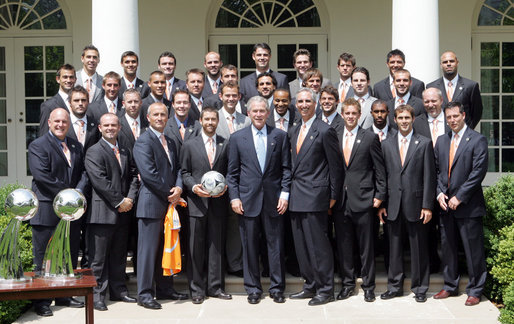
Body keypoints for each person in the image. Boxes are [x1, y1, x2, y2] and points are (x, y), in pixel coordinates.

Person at [227, 96, 291, 304]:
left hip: (274, 201)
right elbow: (232, 173)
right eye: (254, 111)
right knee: (250, 247)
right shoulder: (237, 138)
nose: (258, 114)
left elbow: (286, 169)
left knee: (276, 246)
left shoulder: (280, 136)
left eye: (262, 111)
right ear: (248, 113)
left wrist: (284, 193)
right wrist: (234, 197)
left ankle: (276, 287)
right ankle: (253, 289)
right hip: (247, 201)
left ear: (268, 112)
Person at [28, 108, 88, 317]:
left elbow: (83, 172)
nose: (61, 124)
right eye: (57, 121)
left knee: (68, 255)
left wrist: (78, 191)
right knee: (44, 258)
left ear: (69, 123)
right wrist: (68, 193)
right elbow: (42, 176)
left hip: (70, 211)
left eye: (64, 121)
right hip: (46, 210)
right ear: (50, 122)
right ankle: (42, 301)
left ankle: (64, 294)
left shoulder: (75, 145)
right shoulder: (38, 145)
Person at [289, 88, 343, 306]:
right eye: (300, 101)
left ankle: (325, 289)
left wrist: (332, 195)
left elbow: (335, 167)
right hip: (295, 196)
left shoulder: (324, 130)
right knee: (301, 246)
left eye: (307, 101)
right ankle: (310, 284)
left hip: (315, 196)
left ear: (316, 104)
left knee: (318, 246)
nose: (303, 105)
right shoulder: (293, 131)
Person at [132, 102, 188, 310]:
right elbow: (149, 174)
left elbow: (179, 169)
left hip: (169, 204)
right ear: (148, 117)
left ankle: (165, 288)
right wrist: (170, 194)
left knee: (167, 248)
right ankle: (145, 294)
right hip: (151, 204)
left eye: (163, 115)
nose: (160, 118)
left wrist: (179, 189)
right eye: (156, 114)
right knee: (147, 252)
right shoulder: (143, 142)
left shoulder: (171, 141)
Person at [378, 105, 435, 303]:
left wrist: (427, 205)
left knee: (418, 248)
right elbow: (383, 177)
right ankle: (395, 287)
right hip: (392, 204)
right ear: (394, 120)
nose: (403, 121)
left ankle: (420, 288)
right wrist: (382, 203)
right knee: (393, 249)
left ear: (413, 119)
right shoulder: (386, 144)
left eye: (407, 117)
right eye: (400, 117)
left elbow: (430, 177)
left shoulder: (424, 143)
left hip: (417, 204)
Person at [433, 101, 488, 306]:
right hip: (446, 206)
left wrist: (460, 196)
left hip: (468, 206)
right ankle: (450, 285)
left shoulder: (477, 139)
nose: (452, 120)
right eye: (448, 117)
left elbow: (478, 173)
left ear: (463, 115)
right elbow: (438, 171)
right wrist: (439, 193)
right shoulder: (441, 140)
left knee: (473, 250)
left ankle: (475, 290)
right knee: (448, 248)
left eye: (455, 116)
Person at [84, 113, 139, 311]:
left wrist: (130, 198)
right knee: (98, 258)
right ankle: (97, 295)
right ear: (99, 128)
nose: (110, 128)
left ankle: (119, 291)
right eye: (106, 125)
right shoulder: (94, 151)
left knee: (118, 255)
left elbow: (134, 175)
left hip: (123, 212)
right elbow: (100, 181)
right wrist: (120, 201)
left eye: (113, 125)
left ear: (119, 127)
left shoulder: (124, 150)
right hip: (102, 213)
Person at [333, 98, 386, 303]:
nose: (351, 117)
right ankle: (347, 284)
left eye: (354, 113)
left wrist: (379, 196)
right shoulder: (334, 135)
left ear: (359, 114)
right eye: (347, 113)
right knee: (344, 246)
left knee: (367, 247)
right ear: (343, 114)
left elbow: (379, 170)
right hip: (340, 201)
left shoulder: (370, 137)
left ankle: (369, 286)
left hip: (364, 200)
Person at [181, 107, 231, 304]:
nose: (210, 122)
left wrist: (225, 187)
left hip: (218, 204)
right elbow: (184, 172)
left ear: (217, 122)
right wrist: (194, 188)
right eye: (207, 119)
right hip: (196, 204)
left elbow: (229, 171)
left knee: (216, 247)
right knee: (195, 248)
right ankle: (196, 290)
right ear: (201, 120)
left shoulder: (225, 144)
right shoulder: (189, 145)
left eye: (213, 119)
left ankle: (216, 287)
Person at [427, 51, 483, 128]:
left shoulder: (470, 86)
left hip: (463, 133)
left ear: (457, 63)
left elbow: (477, 112)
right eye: (445, 62)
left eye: (452, 61)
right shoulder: (431, 87)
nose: (448, 64)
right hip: (440, 133)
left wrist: (467, 129)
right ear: (441, 65)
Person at [39, 63, 76, 136]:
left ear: (75, 79)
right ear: (58, 79)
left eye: (71, 77)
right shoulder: (48, 106)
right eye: (65, 77)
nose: (68, 80)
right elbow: (44, 134)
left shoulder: (81, 103)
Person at [164, 89, 199, 156]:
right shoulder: (165, 126)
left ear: (189, 105)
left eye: (185, 102)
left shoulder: (198, 126)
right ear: (173, 105)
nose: (182, 106)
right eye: (178, 102)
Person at [65, 86, 100, 152]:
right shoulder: (63, 124)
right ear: (70, 103)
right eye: (76, 100)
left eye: (83, 100)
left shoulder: (96, 125)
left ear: (88, 102)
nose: (80, 103)